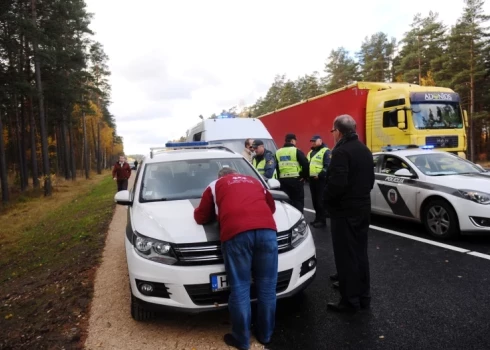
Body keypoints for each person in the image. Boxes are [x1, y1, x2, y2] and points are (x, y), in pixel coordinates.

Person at [193, 167, 278, 350]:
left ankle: (241, 339)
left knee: (240, 287)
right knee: (267, 286)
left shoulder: (215, 185)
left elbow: (201, 216)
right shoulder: (254, 181)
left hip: (237, 234)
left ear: (220, 176)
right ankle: (266, 335)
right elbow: (271, 208)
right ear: (237, 174)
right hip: (267, 232)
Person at [324, 114, 375, 313]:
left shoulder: (341, 152)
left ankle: (349, 301)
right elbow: (370, 181)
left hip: (344, 212)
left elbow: (337, 184)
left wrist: (325, 200)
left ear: (338, 131)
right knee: (360, 254)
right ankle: (364, 297)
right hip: (363, 208)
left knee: (345, 257)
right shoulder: (365, 150)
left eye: (333, 131)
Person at [275, 133, 309, 213]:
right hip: (296, 181)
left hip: (283, 182)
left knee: (286, 203)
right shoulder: (296, 151)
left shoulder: (278, 152)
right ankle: (299, 222)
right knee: (298, 202)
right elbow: (306, 165)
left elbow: (277, 168)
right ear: (292, 141)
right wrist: (303, 176)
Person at [306, 135, 331, 228]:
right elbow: (307, 164)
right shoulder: (311, 152)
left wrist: (320, 175)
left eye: (314, 141)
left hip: (321, 180)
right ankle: (317, 218)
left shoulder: (326, 151)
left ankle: (322, 220)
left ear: (320, 141)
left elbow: (328, 166)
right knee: (315, 201)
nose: (312, 143)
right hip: (312, 180)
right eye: (312, 141)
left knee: (320, 201)